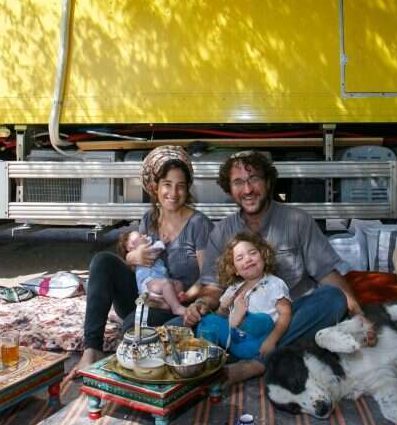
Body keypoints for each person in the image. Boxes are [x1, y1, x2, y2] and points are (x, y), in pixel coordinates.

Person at [184, 150, 362, 385]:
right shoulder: (222, 232)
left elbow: (328, 276)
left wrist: (360, 316)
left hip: (291, 319)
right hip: (242, 325)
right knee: (174, 326)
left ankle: (257, 363)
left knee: (332, 298)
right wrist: (201, 304)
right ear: (230, 190)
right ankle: (250, 353)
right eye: (238, 182)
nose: (247, 190)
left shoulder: (297, 220)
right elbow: (213, 288)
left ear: (268, 182)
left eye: (254, 179)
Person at [74, 145, 212, 374]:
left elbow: (208, 279)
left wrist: (183, 298)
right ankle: (92, 349)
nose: (173, 193)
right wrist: (131, 257)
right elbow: (139, 269)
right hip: (144, 297)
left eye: (180, 186)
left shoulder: (199, 224)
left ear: (188, 189)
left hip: (177, 306)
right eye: (167, 184)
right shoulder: (149, 219)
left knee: (130, 331)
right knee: (102, 261)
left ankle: (133, 332)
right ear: (154, 187)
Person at [196, 232, 292, 360]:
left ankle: (243, 319)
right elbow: (221, 316)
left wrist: (272, 340)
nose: (248, 259)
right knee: (208, 320)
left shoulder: (274, 284)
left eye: (253, 253)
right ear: (234, 269)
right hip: (235, 340)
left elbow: (285, 314)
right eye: (240, 258)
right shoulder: (233, 288)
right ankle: (206, 357)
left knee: (264, 320)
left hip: (259, 339)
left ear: (263, 256)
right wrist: (223, 308)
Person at [116, 230, 188, 316]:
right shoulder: (145, 250)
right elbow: (156, 249)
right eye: (140, 236)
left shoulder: (139, 252)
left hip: (159, 283)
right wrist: (162, 242)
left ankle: (166, 304)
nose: (144, 235)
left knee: (178, 284)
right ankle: (176, 307)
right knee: (166, 284)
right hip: (149, 283)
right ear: (131, 247)